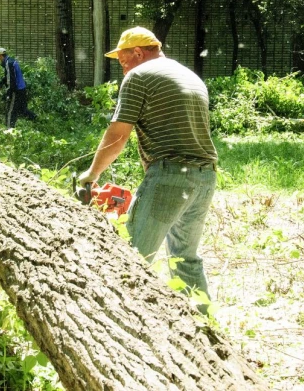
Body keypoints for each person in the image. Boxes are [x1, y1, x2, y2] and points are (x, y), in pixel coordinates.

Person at [78, 27, 218, 298]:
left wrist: (92, 174)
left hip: (171, 178)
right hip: (205, 178)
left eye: (123, 61)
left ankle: (120, 325)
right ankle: (205, 329)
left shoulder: (139, 76)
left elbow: (118, 136)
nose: (123, 69)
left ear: (138, 53)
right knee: (186, 260)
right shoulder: (189, 75)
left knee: (132, 260)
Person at [0, 48, 36, 128]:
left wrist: (9, 93)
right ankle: (37, 119)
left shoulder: (8, 63)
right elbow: (10, 75)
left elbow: (12, 80)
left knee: (11, 110)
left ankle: (9, 129)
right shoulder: (11, 61)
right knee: (22, 110)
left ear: (0, 55)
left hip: (16, 90)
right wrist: (2, 82)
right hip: (22, 89)